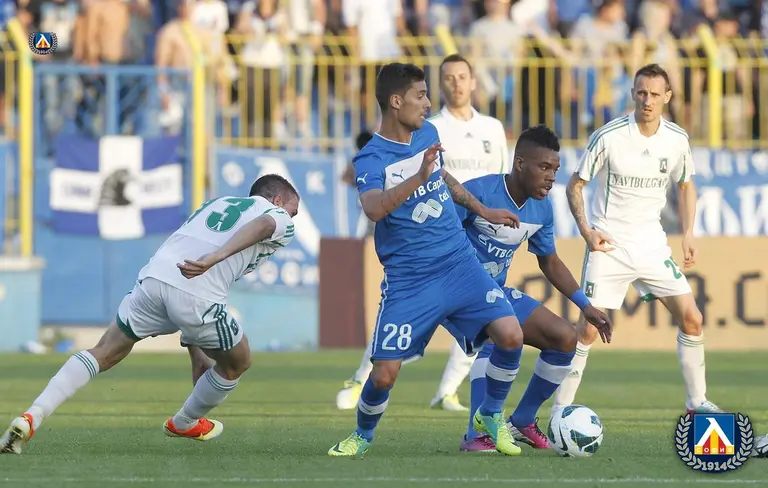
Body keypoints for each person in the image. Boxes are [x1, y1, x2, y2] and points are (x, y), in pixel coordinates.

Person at [0, 175, 300, 454]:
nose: (292, 217)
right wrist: (216, 257)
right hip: (197, 289)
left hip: (156, 278)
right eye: (292, 210)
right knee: (239, 361)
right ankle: (184, 422)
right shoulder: (276, 217)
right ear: (277, 200)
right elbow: (264, 224)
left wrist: (194, 343)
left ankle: (33, 415)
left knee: (104, 352)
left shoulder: (217, 203)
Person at [328, 62, 524, 457]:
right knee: (384, 375)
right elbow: (374, 209)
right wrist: (416, 177)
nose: (428, 103)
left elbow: (443, 178)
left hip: (459, 264)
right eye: (420, 95)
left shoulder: (428, 134)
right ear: (395, 101)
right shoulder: (370, 159)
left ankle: (490, 415)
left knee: (511, 335)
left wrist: (483, 210)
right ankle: (362, 435)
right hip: (411, 280)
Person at [552, 63, 724, 415]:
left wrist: (688, 233)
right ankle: (560, 411)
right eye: (642, 93)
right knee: (587, 331)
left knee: (692, 318)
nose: (647, 100)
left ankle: (696, 402)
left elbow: (686, 185)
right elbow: (575, 186)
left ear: (667, 97)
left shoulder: (676, 139)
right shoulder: (609, 137)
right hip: (609, 246)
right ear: (632, 93)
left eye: (655, 94)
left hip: (651, 246)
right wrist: (587, 231)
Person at [455, 125, 612, 452]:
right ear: (520, 163)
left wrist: (585, 306)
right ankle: (476, 433)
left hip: (493, 294)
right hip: (456, 291)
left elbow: (549, 262)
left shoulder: (542, 209)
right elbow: (440, 233)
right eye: (544, 167)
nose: (551, 177)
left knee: (564, 338)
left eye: (555, 169)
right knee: (500, 333)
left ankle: (522, 420)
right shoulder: (479, 193)